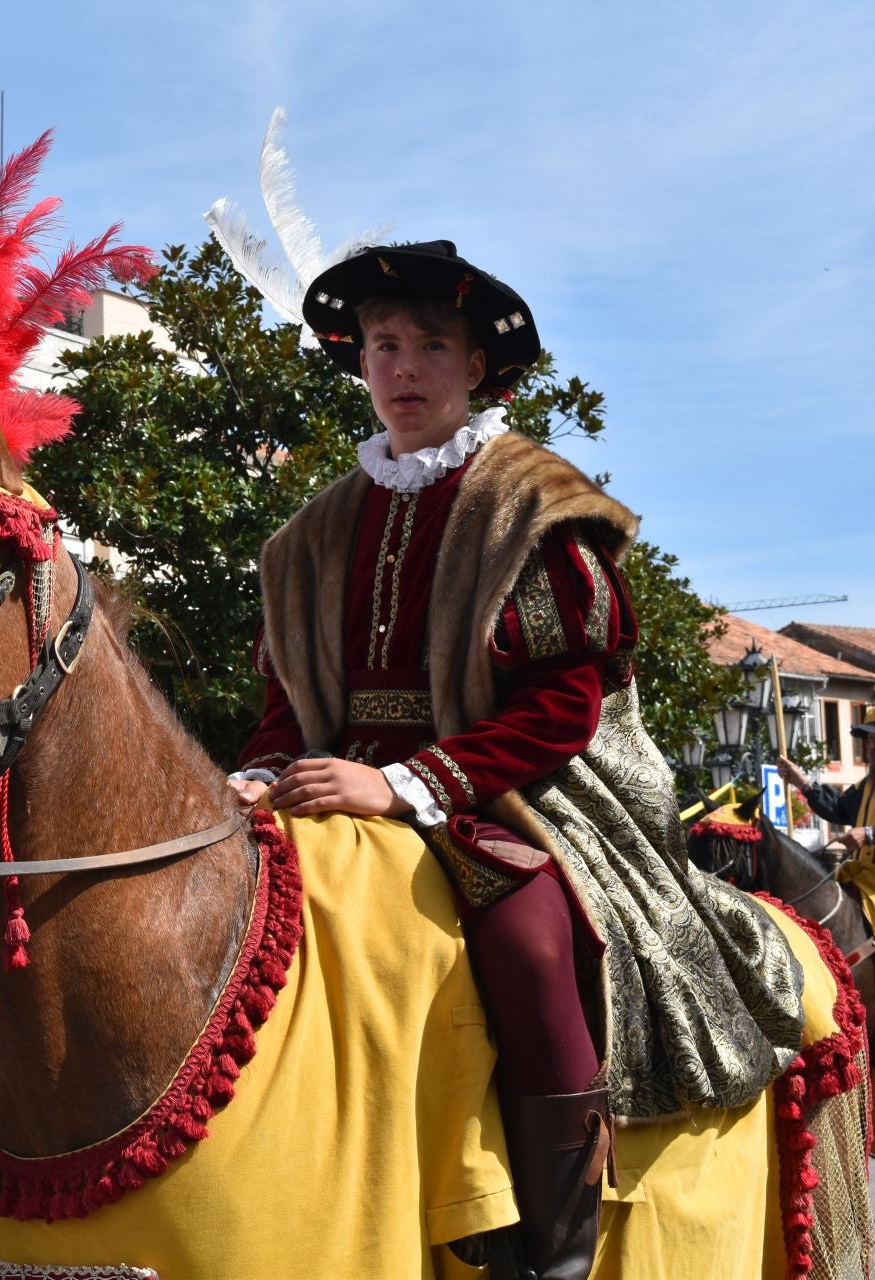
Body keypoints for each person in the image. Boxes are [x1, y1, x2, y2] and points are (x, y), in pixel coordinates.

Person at [229, 241, 806, 1279]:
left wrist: (402, 783)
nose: (403, 368)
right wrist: (262, 772)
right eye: (383, 345)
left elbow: (562, 706)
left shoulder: (530, 504)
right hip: (328, 789)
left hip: (515, 791)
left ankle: (556, 1238)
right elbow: (287, 705)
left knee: (532, 935)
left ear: (475, 366)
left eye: (429, 346)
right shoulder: (309, 534)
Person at [780, 707, 875, 853]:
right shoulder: (863, 787)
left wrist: (869, 834)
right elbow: (837, 808)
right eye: (870, 739)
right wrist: (802, 782)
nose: (872, 746)